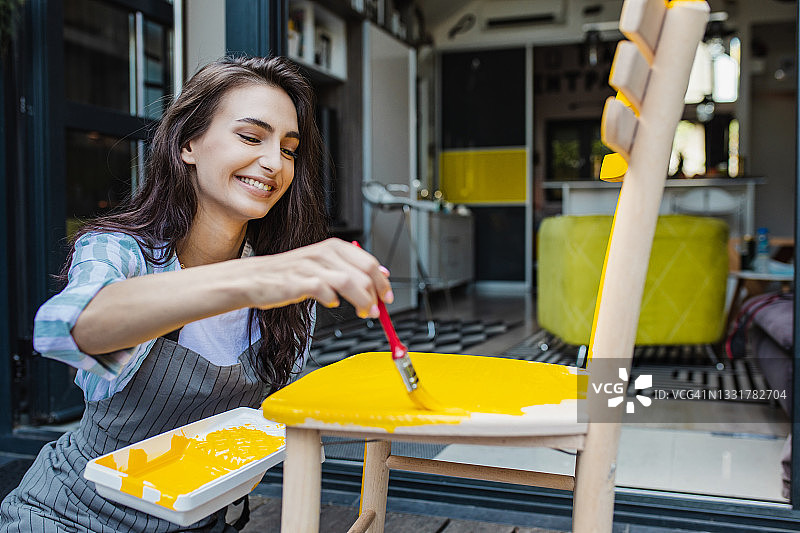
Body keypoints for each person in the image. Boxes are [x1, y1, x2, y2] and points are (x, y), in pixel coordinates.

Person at [0, 56, 393, 532]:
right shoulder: (121, 250)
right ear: (188, 144)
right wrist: (255, 278)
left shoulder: (287, 289)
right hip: (72, 517)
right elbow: (69, 328)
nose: (274, 162)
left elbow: (271, 422)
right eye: (251, 137)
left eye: (289, 149)